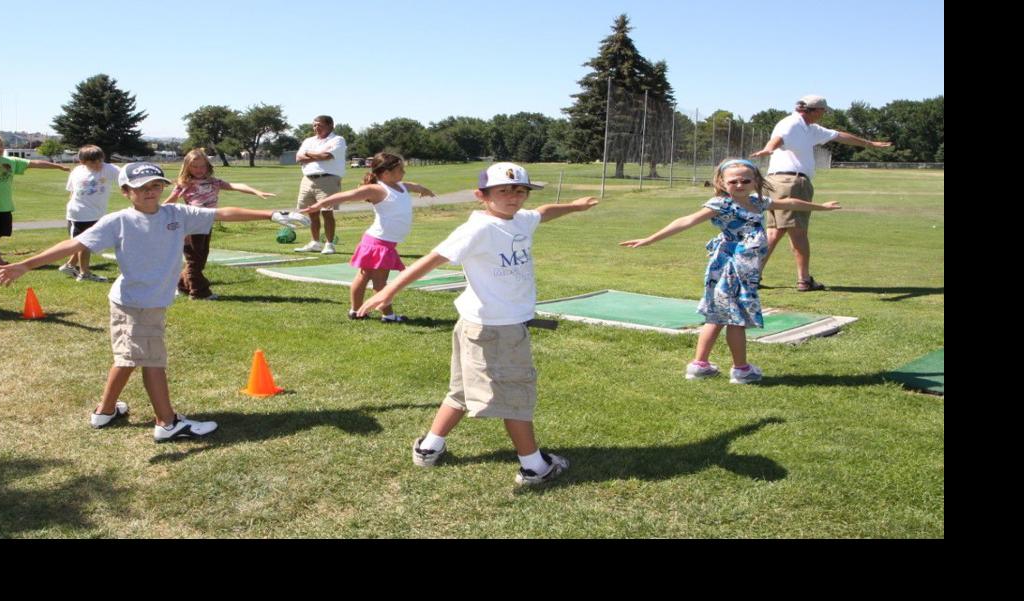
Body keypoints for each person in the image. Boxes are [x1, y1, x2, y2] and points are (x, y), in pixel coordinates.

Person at [0, 162, 310, 443]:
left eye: (156, 185)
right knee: (153, 362)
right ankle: (168, 423)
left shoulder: (176, 214)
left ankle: (104, 412)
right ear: (126, 191)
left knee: (128, 357)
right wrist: (26, 264)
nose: (151, 192)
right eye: (142, 187)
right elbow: (74, 243)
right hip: (137, 303)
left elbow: (222, 213)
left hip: (147, 301)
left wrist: (271, 213)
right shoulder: (116, 222)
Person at [358, 163, 599, 486]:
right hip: (496, 328)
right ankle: (534, 467)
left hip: (481, 325)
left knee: (460, 391)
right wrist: (388, 290)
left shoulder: (521, 220)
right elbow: (433, 258)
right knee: (515, 393)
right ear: (481, 196)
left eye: (520, 190)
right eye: (503, 191)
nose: (513, 197)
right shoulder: (478, 229)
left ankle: (429, 448)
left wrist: (575, 207)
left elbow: (543, 211)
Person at [620, 159, 842, 383]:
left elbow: (790, 203)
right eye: (733, 181)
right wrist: (650, 239)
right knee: (735, 317)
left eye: (745, 180)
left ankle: (700, 365)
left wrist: (822, 207)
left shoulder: (758, 202)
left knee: (717, 315)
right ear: (722, 182)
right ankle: (741, 370)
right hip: (732, 267)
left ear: (756, 181)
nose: (739, 184)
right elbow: (687, 220)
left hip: (744, 268)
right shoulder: (721, 205)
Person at [751, 95, 891, 291]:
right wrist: (768, 149)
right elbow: (778, 138)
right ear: (814, 110)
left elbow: (839, 135)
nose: (823, 115)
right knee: (798, 233)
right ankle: (804, 280)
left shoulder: (811, 129)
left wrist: (869, 143)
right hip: (793, 182)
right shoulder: (792, 123)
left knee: (774, 232)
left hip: (776, 182)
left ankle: (753, 276)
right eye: (822, 111)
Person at [302, 152, 435, 322]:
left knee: (364, 276)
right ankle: (388, 315)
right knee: (380, 283)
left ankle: (356, 312)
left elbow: (415, 186)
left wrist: (425, 190)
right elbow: (345, 196)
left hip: (380, 242)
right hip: (379, 244)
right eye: (400, 169)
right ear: (386, 174)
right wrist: (319, 204)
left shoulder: (401, 185)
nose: (404, 172)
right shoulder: (377, 189)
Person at [164, 148, 276, 300]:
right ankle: (199, 292)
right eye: (194, 167)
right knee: (194, 260)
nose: (198, 170)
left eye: (202, 166)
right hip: (190, 227)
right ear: (187, 167)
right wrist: (155, 214)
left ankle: (182, 285)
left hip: (207, 224)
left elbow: (236, 185)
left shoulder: (213, 182)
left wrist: (256, 192)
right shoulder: (185, 184)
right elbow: (170, 201)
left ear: (208, 166)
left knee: (200, 259)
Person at [0, 134, 68, 268]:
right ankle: (0, 263)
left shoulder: (9, 161)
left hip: (3, 206)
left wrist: (57, 166)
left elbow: (34, 163)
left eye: (1, 145)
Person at [59, 145, 121, 282]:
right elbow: (72, 192)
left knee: (86, 243)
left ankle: (70, 265)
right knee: (84, 243)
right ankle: (84, 273)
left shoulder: (108, 169)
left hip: (97, 214)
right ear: (83, 162)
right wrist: (72, 209)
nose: (98, 164)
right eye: (93, 162)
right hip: (79, 214)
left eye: (100, 160)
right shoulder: (77, 171)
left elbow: (125, 176)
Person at [293, 115, 347, 254]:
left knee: (327, 212)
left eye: (320, 125)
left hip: (328, 179)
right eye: (315, 125)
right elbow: (299, 158)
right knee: (312, 212)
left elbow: (327, 156)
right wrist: (316, 155)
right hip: (307, 179)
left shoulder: (337, 140)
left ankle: (329, 244)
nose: (316, 128)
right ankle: (315, 242)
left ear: (330, 126)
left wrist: (309, 154)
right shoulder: (308, 140)